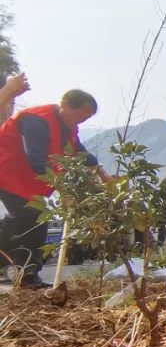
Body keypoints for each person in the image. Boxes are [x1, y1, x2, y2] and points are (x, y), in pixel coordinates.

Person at [0, 89, 110, 288]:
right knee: (27, 218)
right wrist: (64, 189)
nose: (80, 121)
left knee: (34, 222)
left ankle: (25, 274)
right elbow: (36, 160)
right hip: (7, 174)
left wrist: (102, 174)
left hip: (29, 183)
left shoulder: (69, 127)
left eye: (86, 118)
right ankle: (25, 273)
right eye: (79, 115)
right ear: (65, 103)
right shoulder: (36, 120)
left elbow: (79, 151)